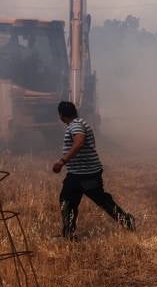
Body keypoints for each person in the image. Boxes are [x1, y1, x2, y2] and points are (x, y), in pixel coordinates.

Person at [53, 101, 135, 239]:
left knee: (67, 202)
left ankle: (69, 234)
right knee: (99, 200)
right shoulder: (80, 122)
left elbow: (79, 142)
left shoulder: (76, 126)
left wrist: (62, 161)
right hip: (84, 173)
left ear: (61, 115)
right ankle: (127, 222)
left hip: (82, 175)